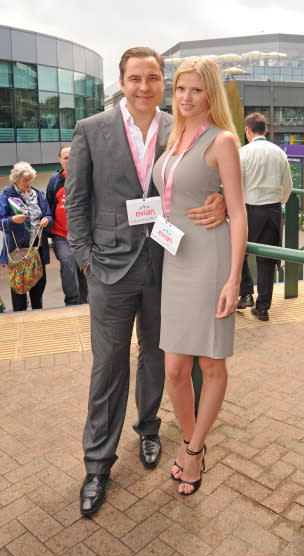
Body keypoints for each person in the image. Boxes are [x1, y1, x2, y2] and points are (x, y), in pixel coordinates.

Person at [65, 47, 226, 516]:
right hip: (109, 269)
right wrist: (86, 260)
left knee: (158, 357)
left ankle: (150, 429)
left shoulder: (182, 128)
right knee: (108, 367)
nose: (144, 86)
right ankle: (97, 464)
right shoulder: (91, 130)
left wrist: (217, 197)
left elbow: (205, 176)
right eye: (135, 78)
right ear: (122, 80)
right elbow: (77, 201)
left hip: (167, 262)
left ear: (163, 82)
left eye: (153, 78)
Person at [153, 57, 247, 495]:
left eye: (196, 90)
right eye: (180, 90)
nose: (186, 98)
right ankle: (195, 443)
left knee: (210, 363)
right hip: (176, 258)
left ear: (211, 93)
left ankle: (192, 452)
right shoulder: (174, 137)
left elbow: (240, 209)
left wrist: (233, 278)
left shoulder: (222, 139)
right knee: (174, 369)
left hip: (210, 258)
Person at [237, 113, 293, 322]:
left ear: (247, 131)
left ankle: (246, 294)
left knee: (239, 253)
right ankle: (263, 308)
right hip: (273, 210)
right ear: (265, 131)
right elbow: (287, 185)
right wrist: (279, 201)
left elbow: (237, 185)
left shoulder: (243, 153)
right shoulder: (279, 152)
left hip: (249, 209)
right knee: (266, 261)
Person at [0, 162, 52, 311]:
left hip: (37, 247)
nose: (29, 183)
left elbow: (48, 214)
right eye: (25, 180)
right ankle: (19, 318)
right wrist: (12, 220)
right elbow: (1, 221)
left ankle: (37, 313)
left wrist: (47, 219)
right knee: (19, 287)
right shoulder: (6, 195)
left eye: (30, 179)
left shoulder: (38, 194)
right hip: (18, 250)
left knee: (39, 283)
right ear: (16, 179)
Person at [46, 146, 88, 306]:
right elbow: (49, 205)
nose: (69, 160)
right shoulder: (55, 180)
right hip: (61, 235)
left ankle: (85, 302)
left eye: (72, 156)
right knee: (68, 261)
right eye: (65, 157)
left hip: (83, 235)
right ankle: (72, 303)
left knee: (83, 266)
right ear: (60, 160)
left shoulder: (85, 177)